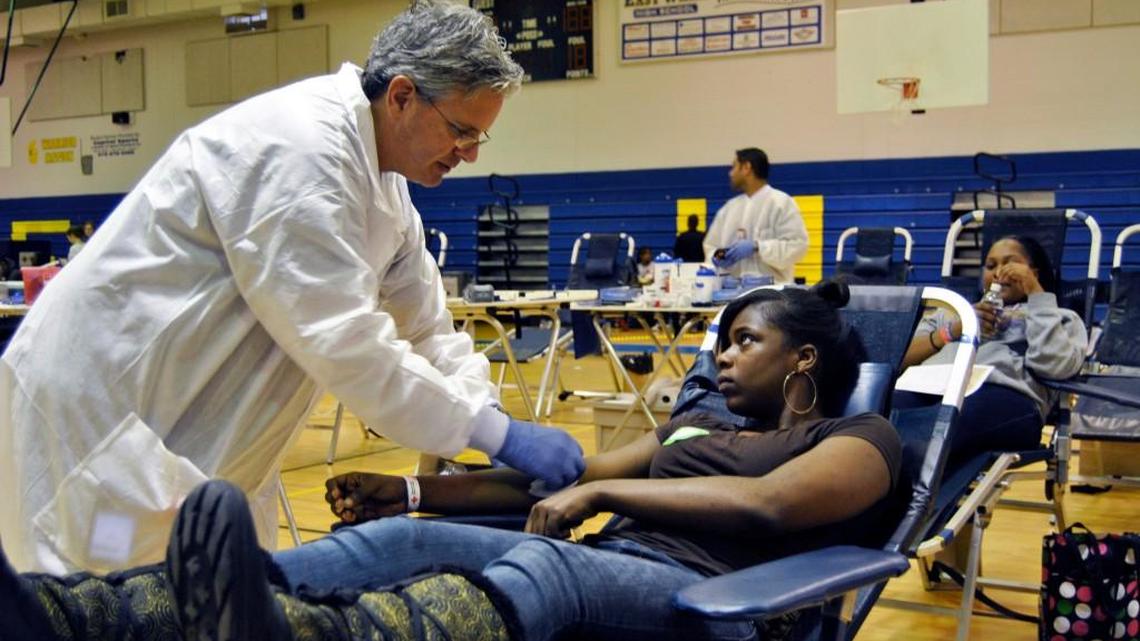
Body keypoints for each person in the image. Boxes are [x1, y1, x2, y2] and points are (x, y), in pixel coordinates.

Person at [0, 0, 583, 575]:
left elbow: (428, 329)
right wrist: (499, 434)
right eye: (462, 131)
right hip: (102, 423)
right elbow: (347, 343)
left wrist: (489, 415)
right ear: (403, 96)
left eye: (481, 137)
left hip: (202, 439)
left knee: (211, 597)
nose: (471, 153)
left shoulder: (386, 187)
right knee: (95, 597)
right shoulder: (301, 151)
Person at [1, 281, 902, 641]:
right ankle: (66, 612)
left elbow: (772, 511)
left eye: (744, 340)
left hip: (714, 605)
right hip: (609, 561)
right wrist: (410, 486)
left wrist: (597, 487)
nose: (722, 357)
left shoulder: (860, 441)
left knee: (543, 560)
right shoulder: (690, 428)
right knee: (394, 542)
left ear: (805, 358)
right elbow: (561, 476)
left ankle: (310, 639)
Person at [898, 235, 1087, 467]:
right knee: (881, 417)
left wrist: (1038, 296)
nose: (999, 272)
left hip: (1003, 397)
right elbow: (898, 356)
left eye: (1010, 263)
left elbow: (1055, 367)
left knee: (937, 430)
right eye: (990, 266)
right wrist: (955, 329)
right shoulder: (952, 314)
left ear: (1034, 273)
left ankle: (914, 496)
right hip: (930, 388)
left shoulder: (1061, 319)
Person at [703, 148, 808, 283]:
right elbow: (711, 246)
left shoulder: (781, 203)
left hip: (773, 294)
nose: (730, 173)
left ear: (746, 167)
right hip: (733, 293)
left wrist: (758, 247)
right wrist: (719, 257)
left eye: (734, 167)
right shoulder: (729, 208)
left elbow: (797, 246)